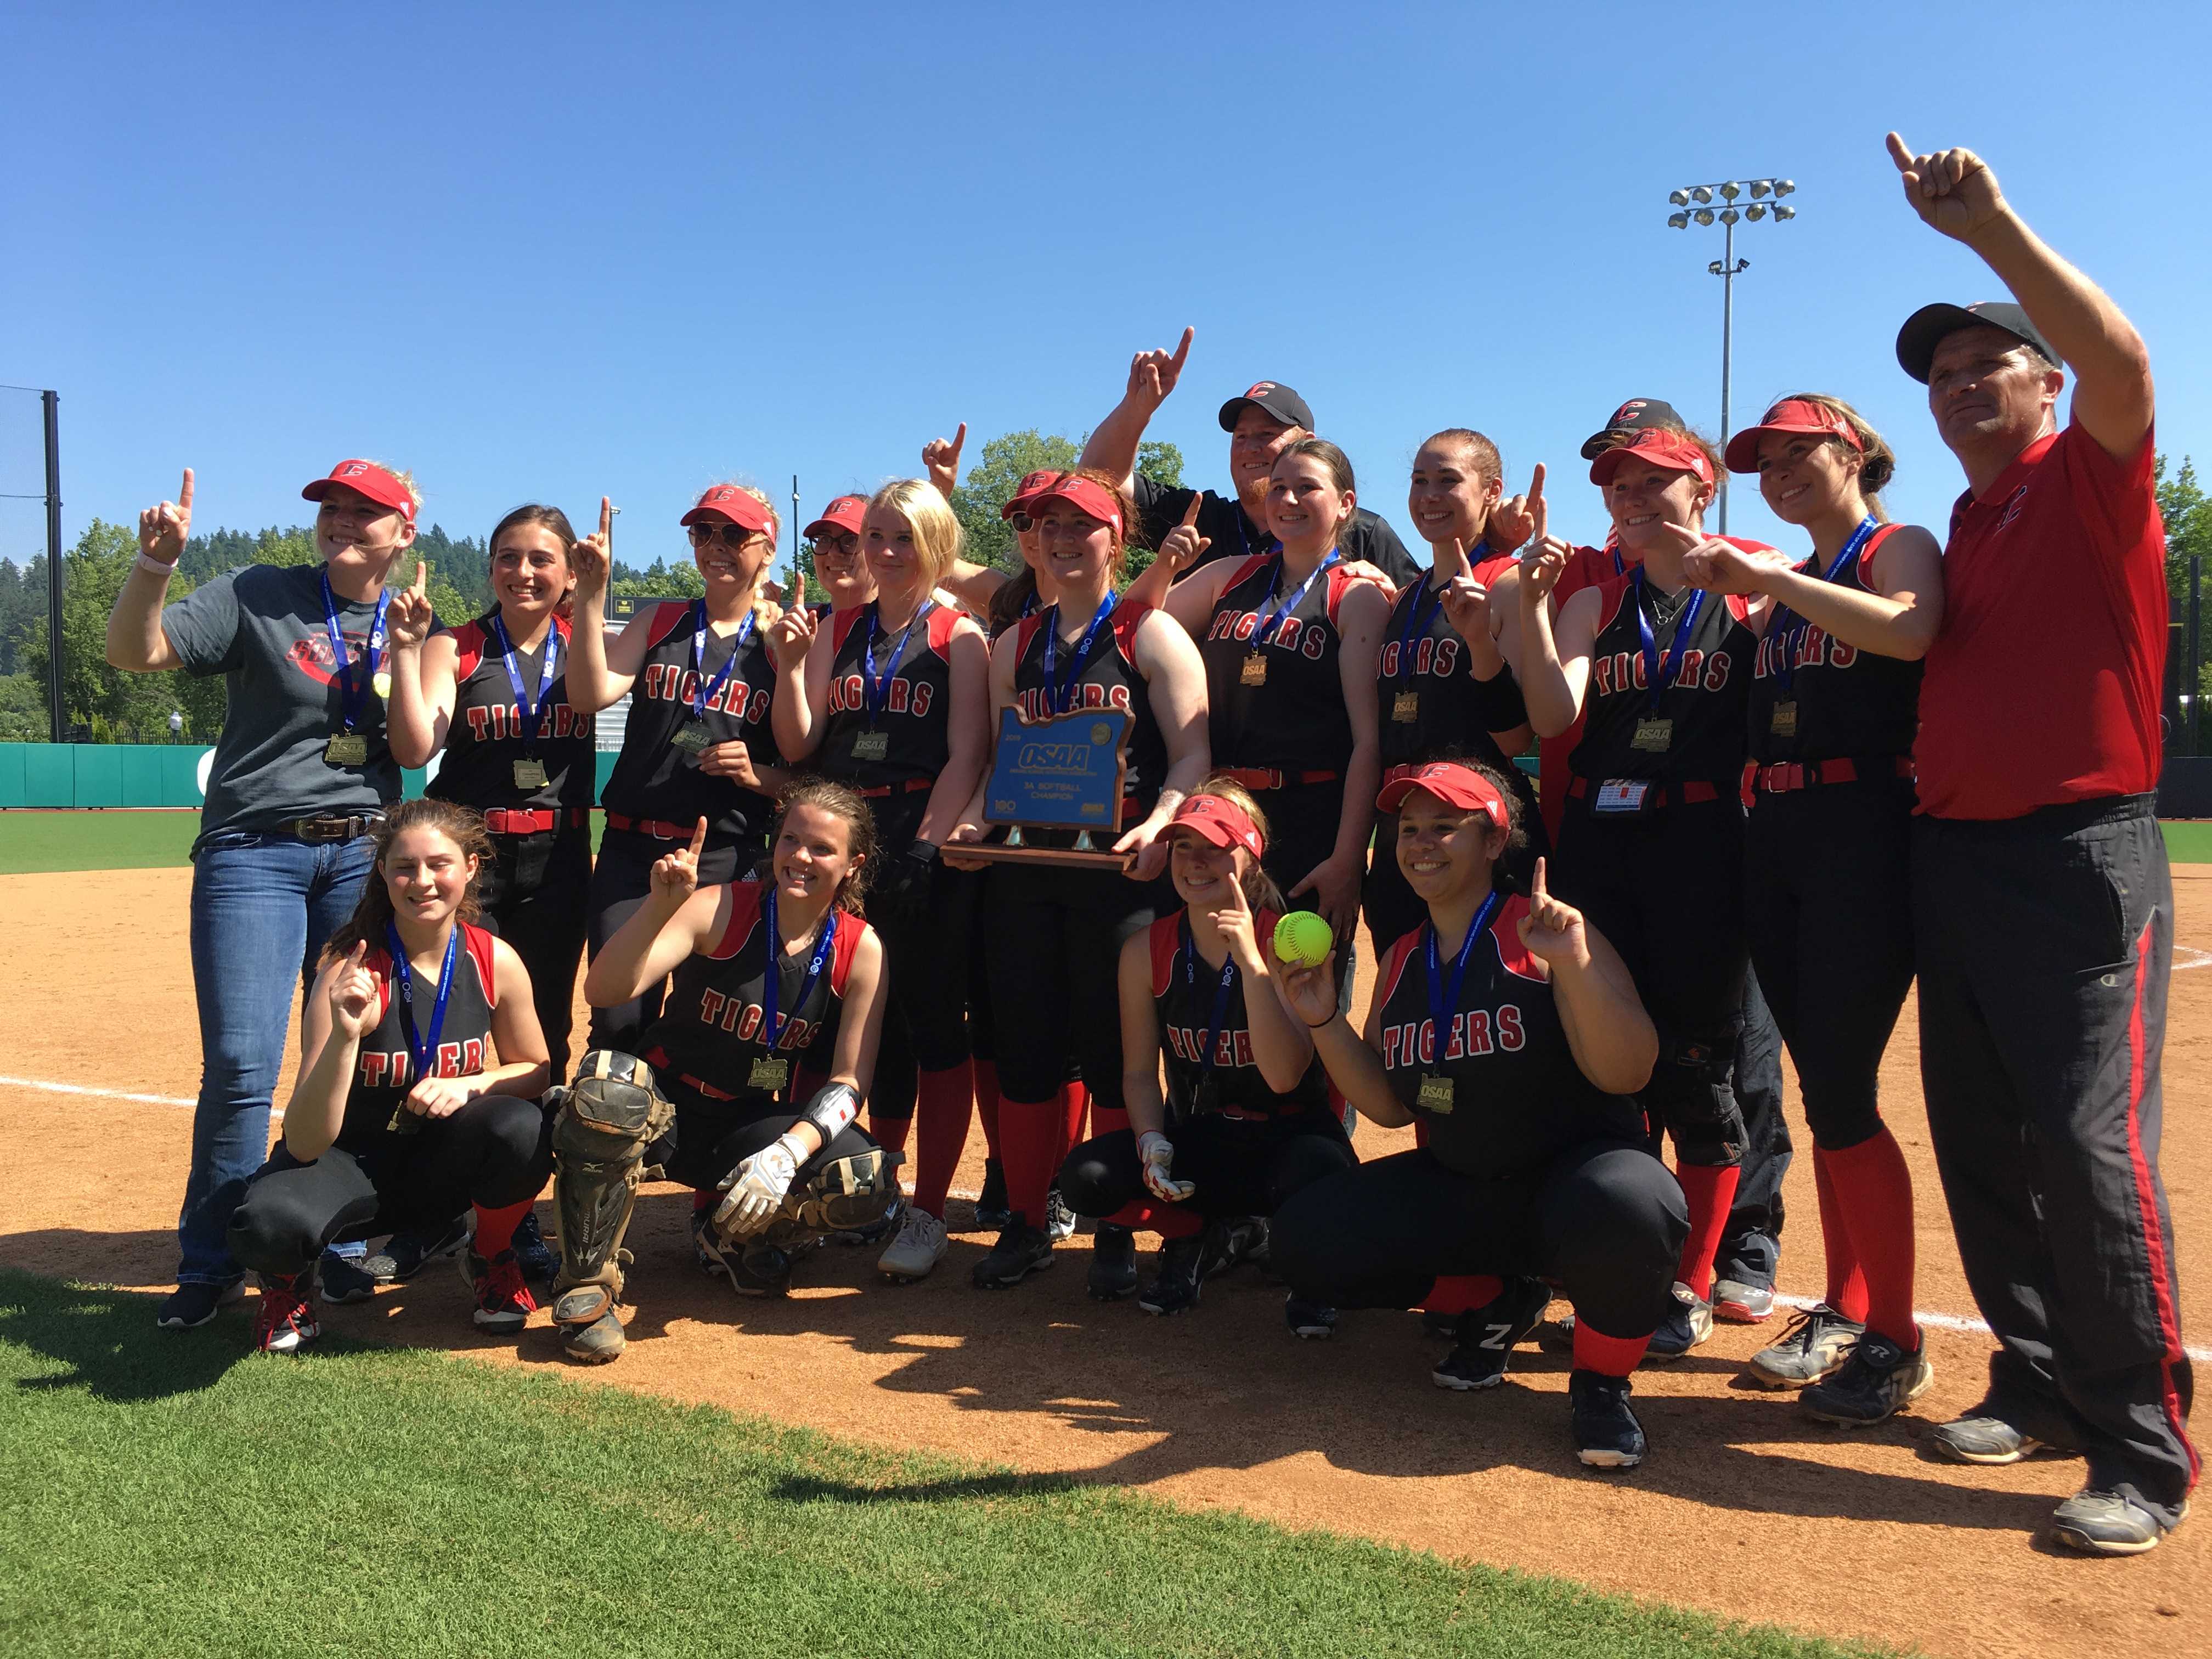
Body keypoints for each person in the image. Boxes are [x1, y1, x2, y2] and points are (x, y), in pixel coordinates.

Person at [1885, 134, 2192, 1554]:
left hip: (2080, 860)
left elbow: (2128, 359)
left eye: (1986, 365)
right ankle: (2036, 1379)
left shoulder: (2089, 472)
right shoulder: (1969, 512)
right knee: (1984, 1137)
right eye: (1942, 374)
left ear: (2046, 383)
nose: (1959, 387)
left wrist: (1990, 232)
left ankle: (2141, 1448)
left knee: (2085, 1146)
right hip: (1960, 862)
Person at [1268, 762, 1684, 1468]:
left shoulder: (1549, 930)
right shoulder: (1403, 958)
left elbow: (1629, 1071)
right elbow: (1390, 1106)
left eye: (1444, 828)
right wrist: (1323, 1021)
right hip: (1467, 1186)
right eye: (1409, 830)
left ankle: (1601, 1384)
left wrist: (1574, 966)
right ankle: (1497, 1295)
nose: (1420, 844)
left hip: (1576, 1186)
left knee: (1633, 1203)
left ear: (1494, 842)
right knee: (1306, 1241)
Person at [106, 459, 422, 1331]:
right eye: (332, 508)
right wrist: (155, 565)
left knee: (349, 1055)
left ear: (403, 531)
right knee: (242, 1067)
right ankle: (213, 1265)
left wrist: (409, 647)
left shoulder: (412, 621)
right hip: (253, 852)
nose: (343, 521)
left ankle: (323, 1247)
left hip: (363, 857)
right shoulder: (258, 593)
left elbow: (419, 742)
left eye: (366, 512)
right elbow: (136, 653)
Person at [1678, 396, 1944, 1423]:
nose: (1780, 471)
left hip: (1862, 829)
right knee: (1827, 1086)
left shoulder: (1892, 545)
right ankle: (1848, 1307)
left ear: (1853, 450)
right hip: (1781, 835)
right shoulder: (1787, 593)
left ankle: (1896, 1338)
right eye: (1767, 460)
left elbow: (1912, 631)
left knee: (1840, 1087)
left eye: (1800, 451)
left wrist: (1773, 582)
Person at [1530, 404, 1796, 1326]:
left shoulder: (1754, 583)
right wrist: (1525, 605)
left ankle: (1701, 1267)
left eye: (1654, 478)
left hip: (1705, 843)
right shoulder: (1592, 598)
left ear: (1703, 486)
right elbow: (1553, 713)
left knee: (1702, 1063)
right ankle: (1627, 1248)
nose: (1633, 494)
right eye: (1618, 482)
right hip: (1599, 845)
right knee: (1603, 1058)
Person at [947, 470, 1211, 1289]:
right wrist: (974, 822)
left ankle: (1117, 1227)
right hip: (1029, 870)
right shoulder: (1014, 643)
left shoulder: (1150, 634)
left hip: (1121, 871)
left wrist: (1162, 822)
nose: (1062, 539)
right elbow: (1000, 761)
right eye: (1048, 524)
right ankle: (1028, 1222)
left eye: (1081, 525)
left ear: (1116, 538)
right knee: (1026, 1052)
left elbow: (1194, 754)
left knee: (1114, 1053)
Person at [551, 783, 894, 1361]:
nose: (801, 857)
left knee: (864, 1177)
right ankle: (586, 1285)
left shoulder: (860, 949)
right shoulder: (723, 906)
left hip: (746, 1125)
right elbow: (604, 990)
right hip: (666, 1111)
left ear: (853, 863)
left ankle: (730, 1235)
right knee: (608, 1092)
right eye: (791, 839)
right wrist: (659, 906)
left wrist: (786, 1153)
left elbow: (849, 1081)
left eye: (822, 848)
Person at [224, 799, 555, 1352]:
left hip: (438, 1166)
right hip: (347, 1165)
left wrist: (470, 1084)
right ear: (382, 872)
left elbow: (536, 1071)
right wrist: (346, 1036)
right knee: (266, 1223)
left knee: (526, 1126)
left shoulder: (493, 959)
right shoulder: (350, 972)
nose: (422, 881)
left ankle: (490, 1255)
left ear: (470, 867)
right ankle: (287, 1284)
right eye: (404, 867)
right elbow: (304, 1141)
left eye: (439, 864)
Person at [768, 480, 991, 1283]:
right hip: (839, 841)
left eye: (905, 537)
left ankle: (929, 1210)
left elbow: (968, 753)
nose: (887, 551)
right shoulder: (837, 627)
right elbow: (799, 743)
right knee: (849, 1021)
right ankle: (874, 1187)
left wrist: (924, 850)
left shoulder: (960, 633)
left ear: (936, 544)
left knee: (930, 1024)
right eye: (877, 536)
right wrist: (792, 666)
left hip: (914, 836)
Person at [1059, 785, 1353, 1314]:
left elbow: (1284, 1076)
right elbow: (1139, 1074)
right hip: (1204, 1136)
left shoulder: (1290, 940)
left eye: (1215, 848)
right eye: (1183, 846)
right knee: (1087, 1179)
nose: (1195, 862)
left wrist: (1251, 964)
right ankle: (1199, 1234)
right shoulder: (1146, 949)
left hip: (1289, 1139)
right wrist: (1152, 1141)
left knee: (1318, 1171)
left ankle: (1310, 1266)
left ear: (1251, 860)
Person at [567, 487, 792, 1056]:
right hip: (633, 853)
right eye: (703, 532)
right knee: (618, 1022)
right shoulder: (660, 620)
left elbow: (810, 774)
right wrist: (591, 596)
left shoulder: (781, 643)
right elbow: (589, 695)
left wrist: (757, 774)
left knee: (705, 1029)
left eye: (734, 534)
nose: (716, 545)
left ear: (767, 549)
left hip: (726, 856)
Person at [1153, 439, 1389, 948]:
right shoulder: (1229, 574)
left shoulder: (1357, 596)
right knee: (1208, 971)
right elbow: (1131, 632)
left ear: (1346, 503)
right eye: (1279, 487)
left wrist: (1348, 859)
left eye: (1307, 487)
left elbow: (1368, 743)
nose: (1288, 500)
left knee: (1295, 982)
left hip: (1306, 821)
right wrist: (1163, 569)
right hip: (1216, 814)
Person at [387, 505, 596, 1076]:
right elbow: (414, 751)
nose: (523, 572)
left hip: (559, 858)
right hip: (473, 856)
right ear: (491, 569)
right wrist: (406, 649)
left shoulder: (586, 646)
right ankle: (447, 1119)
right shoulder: (456, 646)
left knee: (548, 1016)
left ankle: (540, 1123)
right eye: (508, 558)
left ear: (570, 574)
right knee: (458, 1007)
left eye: (541, 560)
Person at [1368, 427, 1544, 951]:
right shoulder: (1404, 598)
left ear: (1492, 491)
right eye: (1419, 480)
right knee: (1401, 985)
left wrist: (1480, 642)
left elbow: (1517, 737)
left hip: (1477, 833)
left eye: (1448, 480)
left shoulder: (1509, 583)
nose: (1429, 495)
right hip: (1403, 829)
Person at [1078, 328, 1421, 587]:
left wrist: (1389, 597)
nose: (1249, 447)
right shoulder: (1199, 521)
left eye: (1267, 435)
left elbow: (1425, 621)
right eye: (1240, 436)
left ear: (1307, 444)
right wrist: (1136, 409)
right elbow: (1095, 484)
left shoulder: (1360, 532)